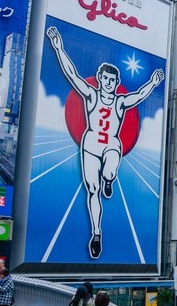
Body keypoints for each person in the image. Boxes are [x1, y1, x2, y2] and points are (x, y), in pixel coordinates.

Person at [46, 26, 165, 260]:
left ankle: (109, 179)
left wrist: (152, 83)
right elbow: (72, 74)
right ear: (100, 79)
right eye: (105, 78)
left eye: (112, 79)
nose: (108, 82)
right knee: (92, 190)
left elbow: (139, 95)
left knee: (109, 171)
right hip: (90, 144)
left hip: (111, 144)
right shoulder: (91, 95)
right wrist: (58, 47)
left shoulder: (120, 102)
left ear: (116, 81)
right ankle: (97, 233)